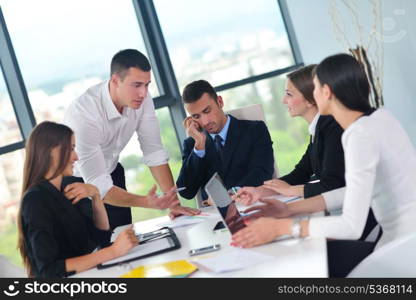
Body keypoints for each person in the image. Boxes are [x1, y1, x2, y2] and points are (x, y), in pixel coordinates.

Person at [231, 53, 416, 277]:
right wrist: (288, 209)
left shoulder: (359, 135)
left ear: (326, 92)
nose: (314, 92)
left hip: (399, 253)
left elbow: (351, 226)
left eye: (316, 87)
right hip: (403, 243)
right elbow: (352, 191)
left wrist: (281, 228)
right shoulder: (380, 118)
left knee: (299, 265)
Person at [64, 49, 199, 229]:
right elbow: (98, 185)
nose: (143, 93)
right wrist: (149, 202)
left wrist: (173, 205)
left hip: (112, 173)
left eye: (147, 84)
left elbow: (154, 152)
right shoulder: (84, 115)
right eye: (136, 85)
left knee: (125, 239)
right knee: (101, 249)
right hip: (78, 185)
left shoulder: (142, 99)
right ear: (115, 81)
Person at [17, 122, 140, 278]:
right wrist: (113, 251)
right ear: (51, 152)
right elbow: (49, 270)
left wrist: (96, 196)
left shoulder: (67, 187)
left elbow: (101, 237)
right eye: (71, 149)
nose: (76, 157)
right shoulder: (35, 200)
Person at [234, 65, 345, 204]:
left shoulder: (333, 130)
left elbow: (333, 185)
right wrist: (258, 191)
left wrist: (292, 190)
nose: (283, 100)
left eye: (289, 94)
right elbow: (300, 173)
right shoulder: (319, 129)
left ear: (310, 100)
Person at [176, 79, 275, 201]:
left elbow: (263, 172)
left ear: (220, 101)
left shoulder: (254, 130)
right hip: (216, 215)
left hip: (252, 204)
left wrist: (229, 194)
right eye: (196, 117)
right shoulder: (193, 144)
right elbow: (186, 192)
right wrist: (199, 146)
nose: (205, 122)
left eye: (207, 111)